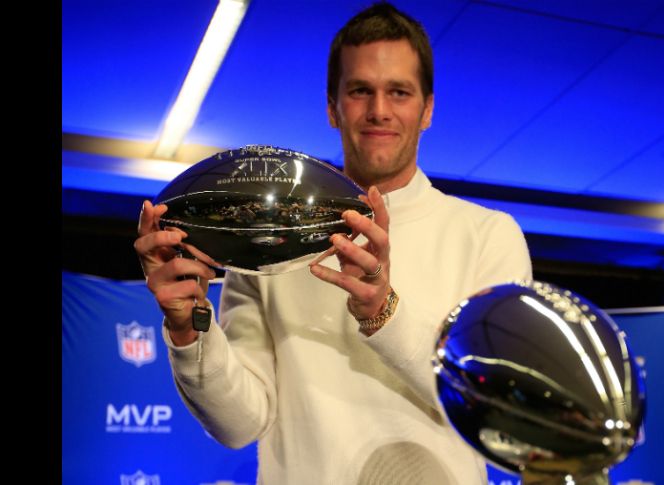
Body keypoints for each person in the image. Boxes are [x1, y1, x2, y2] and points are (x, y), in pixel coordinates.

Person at [134, 3, 532, 484]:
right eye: (360, 90)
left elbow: (499, 410)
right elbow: (239, 425)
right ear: (332, 107)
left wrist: (383, 312)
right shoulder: (267, 236)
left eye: (399, 92)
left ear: (427, 109)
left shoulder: (488, 234)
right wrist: (189, 328)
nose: (379, 110)